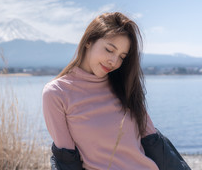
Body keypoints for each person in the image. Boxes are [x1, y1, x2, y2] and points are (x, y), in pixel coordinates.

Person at [42, 12, 190, 170]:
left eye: (122, 56)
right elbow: (66, 159)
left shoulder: (124, 85)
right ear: (89, 41)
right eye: (109, 50)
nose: (114, 61)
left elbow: (154, 142)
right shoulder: (57, 93)